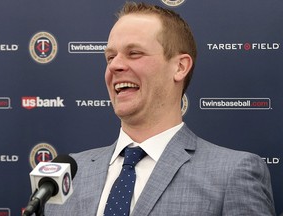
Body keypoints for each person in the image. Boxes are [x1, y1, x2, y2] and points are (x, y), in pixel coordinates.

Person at [45, 2, 276, 215]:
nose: (115, 65)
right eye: (110, 57)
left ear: (180, 67)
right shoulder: (67, 173)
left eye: (134, 53)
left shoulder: (232, 173)